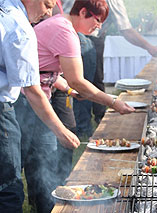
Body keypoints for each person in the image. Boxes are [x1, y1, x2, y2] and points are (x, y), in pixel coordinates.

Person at [14, 0, 135, 212]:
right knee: (43, 158)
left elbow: (46, 71)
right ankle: (47, 205)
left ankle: (43, 204)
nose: (99, 27)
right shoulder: (64, 31)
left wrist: (70, 91)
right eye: (97, 21)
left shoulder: (61, 26)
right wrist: (114, 102)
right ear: (83, 12)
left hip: (31, 99)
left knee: (41, 158)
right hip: (26, 101)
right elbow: (78, 80)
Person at [0, 0, 81, 212]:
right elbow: (33, 91)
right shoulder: (20, 28)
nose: (48, 12)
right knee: (8, 188)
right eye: (46, 4)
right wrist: (62, 131)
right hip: (2, 112)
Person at [63, 0, 157, 137]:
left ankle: (95, 120)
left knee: (94, 80)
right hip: (82, 37)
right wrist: (149, 47)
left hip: (79, 33)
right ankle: (82, 128)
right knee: (82, 82)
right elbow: (126, 30)